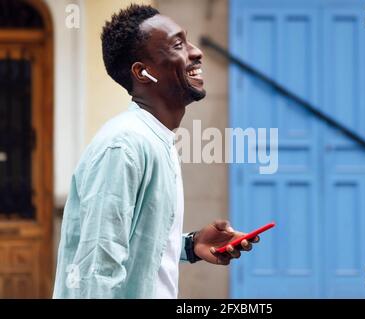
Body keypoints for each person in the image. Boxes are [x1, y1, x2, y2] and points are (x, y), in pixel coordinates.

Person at [53, 4, 259, 299]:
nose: (196, 51)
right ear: (143, 72)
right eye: (178, 44)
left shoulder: (154, 140)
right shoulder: (123, 147)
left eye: (187, 40)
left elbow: (132, 246)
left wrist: (190, 245)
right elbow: (95, 272)